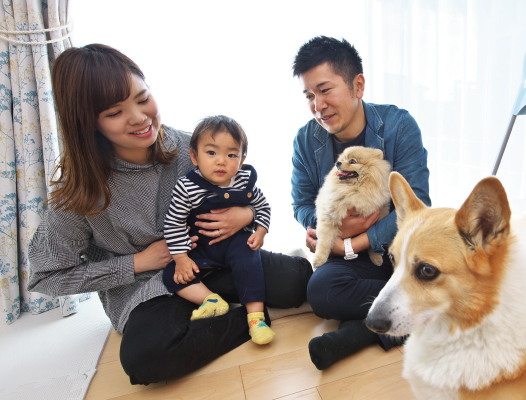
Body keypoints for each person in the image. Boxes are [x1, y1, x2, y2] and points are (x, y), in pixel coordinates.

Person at [27, 44, 312, 385]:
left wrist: (245, 213)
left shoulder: (191, 149)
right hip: (146, 289)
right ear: (89, 124)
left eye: (142, 97)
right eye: (116, 112)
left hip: (210, 262)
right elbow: (47, 276)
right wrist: (138, 262)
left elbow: (246, 193)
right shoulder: (78, 190)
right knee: (145, 360)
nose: (139, 117)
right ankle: (248, 318)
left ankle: (225, 306)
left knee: (298, 281)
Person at [291, 36, 431, 370]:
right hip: (350, 249)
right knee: (321, 291)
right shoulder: (305, 140)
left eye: (325, 90)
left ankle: (359, 334)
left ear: (358, 85)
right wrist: (322, 227)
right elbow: (300, 204)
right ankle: (422, 308)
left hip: (395, 246)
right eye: (309, 96)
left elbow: (417, 203)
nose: (317, 105)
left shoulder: (398, 126)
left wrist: (353, 243)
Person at [162, 115, 275, 345]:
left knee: (250, 263)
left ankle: (256, 318)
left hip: (236, 245)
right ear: (194, 156)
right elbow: (174, 223)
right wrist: (181, 258)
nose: (221, 161)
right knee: (171, 274)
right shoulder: (187, 186)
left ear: (242, 160)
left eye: (231, 155)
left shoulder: (244, 182)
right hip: (201, 250)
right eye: (211, 153)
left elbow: (263, 206)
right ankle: (211, 300)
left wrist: (260, 231)